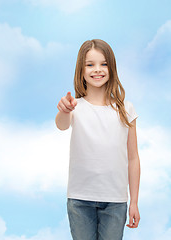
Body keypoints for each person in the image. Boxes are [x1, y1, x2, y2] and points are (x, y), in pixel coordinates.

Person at [55, 39, 141, 240]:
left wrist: (134, 201)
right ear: (81, 69)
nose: (97, 70)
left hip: (115, 201)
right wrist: (64, 109)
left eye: (103, 64)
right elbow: (62, 124)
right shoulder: (74, 106)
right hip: (80, 200)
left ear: (112, 67)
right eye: (90, 64)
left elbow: (133, 158)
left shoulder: (125, 109)